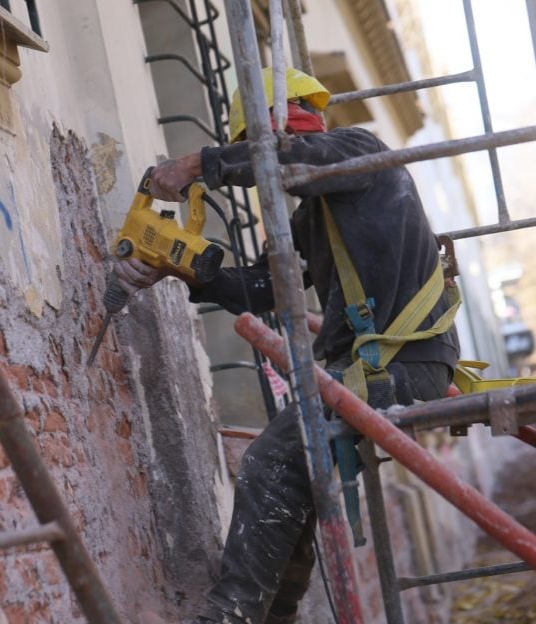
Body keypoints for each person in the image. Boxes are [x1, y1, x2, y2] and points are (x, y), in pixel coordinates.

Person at [121, 68, 460, 624]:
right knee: (294, 479)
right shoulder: (312, 215)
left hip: (399, 364)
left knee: (271, 461)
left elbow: (286, 157)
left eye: (250, 147)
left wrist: (194, 166)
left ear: (276, 128)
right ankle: (272, 616)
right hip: (376, 367)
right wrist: (180, 269)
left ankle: (232, 616)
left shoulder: (360, 154)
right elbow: (265, 288)